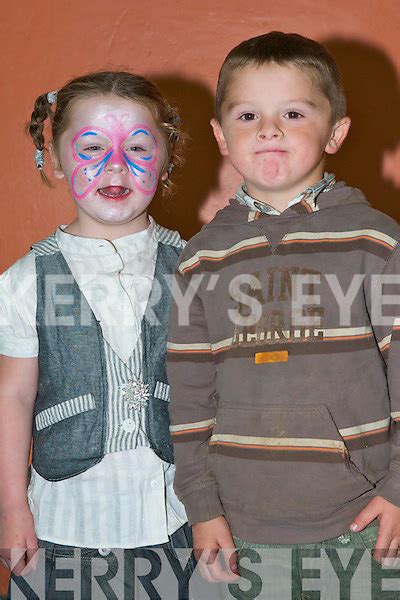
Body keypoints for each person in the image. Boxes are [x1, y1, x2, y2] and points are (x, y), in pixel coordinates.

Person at [167, 32, 400, 596]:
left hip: (362, 526)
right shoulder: (199, 258)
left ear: (336, 131)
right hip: (235, 529)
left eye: (293, 112)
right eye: (248, 115)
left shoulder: (375, 240)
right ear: (222, 137)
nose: (268, 129)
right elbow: (189, 396)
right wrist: (201, 507)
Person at [0, 71, 195, 599]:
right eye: (92, 146)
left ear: (166, 157)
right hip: (62, 524)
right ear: (57, 159)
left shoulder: (194, 271)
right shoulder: (26, 281)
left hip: (175, 523)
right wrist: (13, 506)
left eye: (137, 146)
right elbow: (14, 396)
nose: (115, 165)